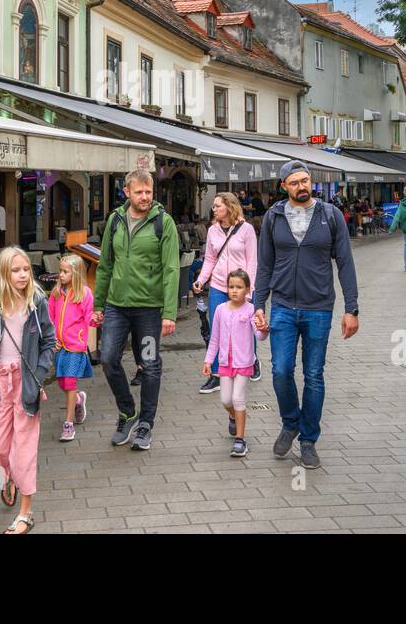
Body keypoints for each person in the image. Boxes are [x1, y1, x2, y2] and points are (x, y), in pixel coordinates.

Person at [252, 160, 359, 469]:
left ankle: (309, 439)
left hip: (319, 308)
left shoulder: (330, 215)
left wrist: (351, 308)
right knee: (281, 370)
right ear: (283, 186)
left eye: (305, 180)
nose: (302, 186)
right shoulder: (273, 217)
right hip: (283, 306)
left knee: (313, 374)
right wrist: (259, 304)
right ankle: (290, 422)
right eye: (295, 182)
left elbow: (346, 263)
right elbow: (265, 266)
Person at [93, 169, 179, 451]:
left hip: (149, 310)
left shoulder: (162, 223)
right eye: (139, 192)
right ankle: (127, 411)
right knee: (108, 359)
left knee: (150, 364)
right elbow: (105, 265)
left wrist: (169, 312)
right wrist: (98, 304)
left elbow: (171, 269)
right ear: (127, 192)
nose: (145, 197)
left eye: (149, 192)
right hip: (117, 306)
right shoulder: (115, 221)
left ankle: (145, 424)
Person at [0, 246, 55, 534]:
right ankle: (8, 476)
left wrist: (38, 374)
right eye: (15, 270)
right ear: (3, 273)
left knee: (23, 448)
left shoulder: (37, 302)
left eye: (26, 269)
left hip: (26, 383)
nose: (23, 275)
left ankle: (25, 513)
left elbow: (49, 342)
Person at [193, 191, 258, 393]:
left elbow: (252, 261)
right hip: (220, 285)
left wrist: (248, 290)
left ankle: (252, 361)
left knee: (247, 326)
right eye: (214, 206)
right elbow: (210, 259)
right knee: (216, 328)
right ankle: (216, 374)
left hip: (241, 285)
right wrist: (201, 280)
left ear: (229, 206)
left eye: (217, 206)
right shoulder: (212, 230)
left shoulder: (246, 230)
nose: (214, 209)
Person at [202, 270, 265, 458]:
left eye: (239, 287)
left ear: (247, 290)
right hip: (224, 363)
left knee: (238, 398)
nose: (234, 291)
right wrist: (208, 360)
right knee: (225, 400)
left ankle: (240, 440)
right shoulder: (220, 310)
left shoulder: (251, 309)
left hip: (244, 362)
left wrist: (264, 329)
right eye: (231, 287)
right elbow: (214, 338)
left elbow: (259, 337)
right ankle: (233, 416)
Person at [48, 254, 93, 443]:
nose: (61, 275)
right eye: (60, 271)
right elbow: (49, 318)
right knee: (62, 382)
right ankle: (78, 400)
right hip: (59, 346)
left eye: (65, 271)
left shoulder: (85, 294)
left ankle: (68, 425)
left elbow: (89, 318)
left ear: (76, 273)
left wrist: (98, 320)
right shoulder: (56, 293)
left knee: (70, 381)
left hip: (75, 346)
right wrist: (51, 338)